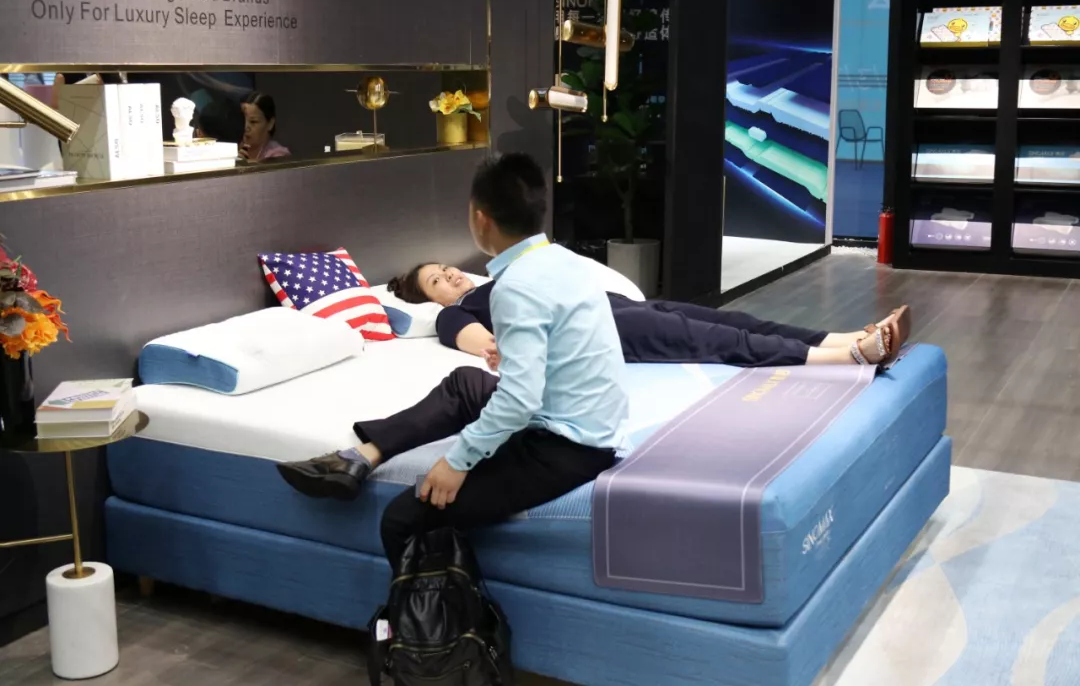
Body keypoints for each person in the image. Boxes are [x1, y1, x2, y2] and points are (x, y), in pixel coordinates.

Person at [277, 153, 630, 569]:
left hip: (567, 449)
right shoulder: (565, 261)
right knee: (466, 382)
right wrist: (518, 355)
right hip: (593, 425)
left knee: (401, 521)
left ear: (480, 219)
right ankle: (361, 457)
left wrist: (456, 461)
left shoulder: (516, 286)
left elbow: (520, 400)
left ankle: (450, 614)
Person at [388, 264, 910, 368]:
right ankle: (849, 356)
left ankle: (844, 334)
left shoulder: (497, 279)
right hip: (592, 331)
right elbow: (486, 346)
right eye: (436, 280)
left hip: (617, 308)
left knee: (737, 322)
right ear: (431, 301)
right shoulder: (455, 315)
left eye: (445, 268)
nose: (449, 275)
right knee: (711, 340)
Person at [240, 92, 290, 162]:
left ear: (270, 124)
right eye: (242, 120)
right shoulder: (234, 150)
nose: (246, 127)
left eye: (253, 122)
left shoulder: (279, 155)